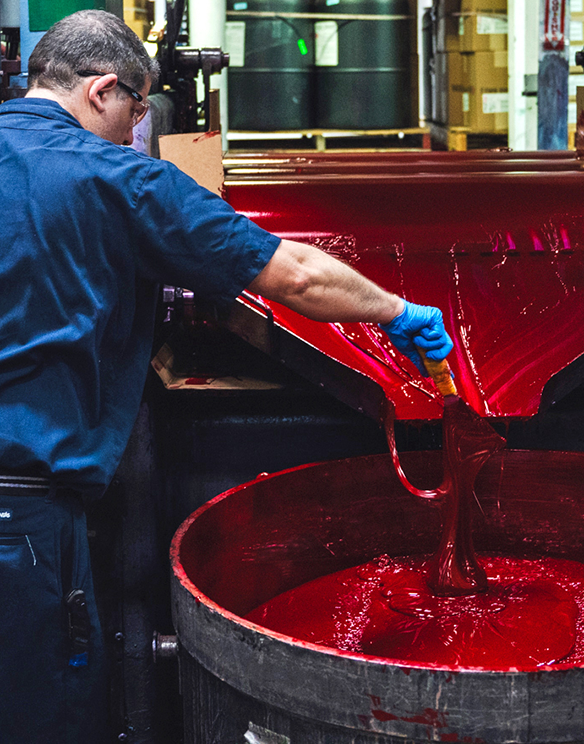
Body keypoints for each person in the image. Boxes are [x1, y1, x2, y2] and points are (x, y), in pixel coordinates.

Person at [0, 9, 452, 743]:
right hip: (21, 526)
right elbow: (295, 274)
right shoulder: (117, 180)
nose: (137, 128)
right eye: (138, 110)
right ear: (103, 90)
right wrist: (398, 311)